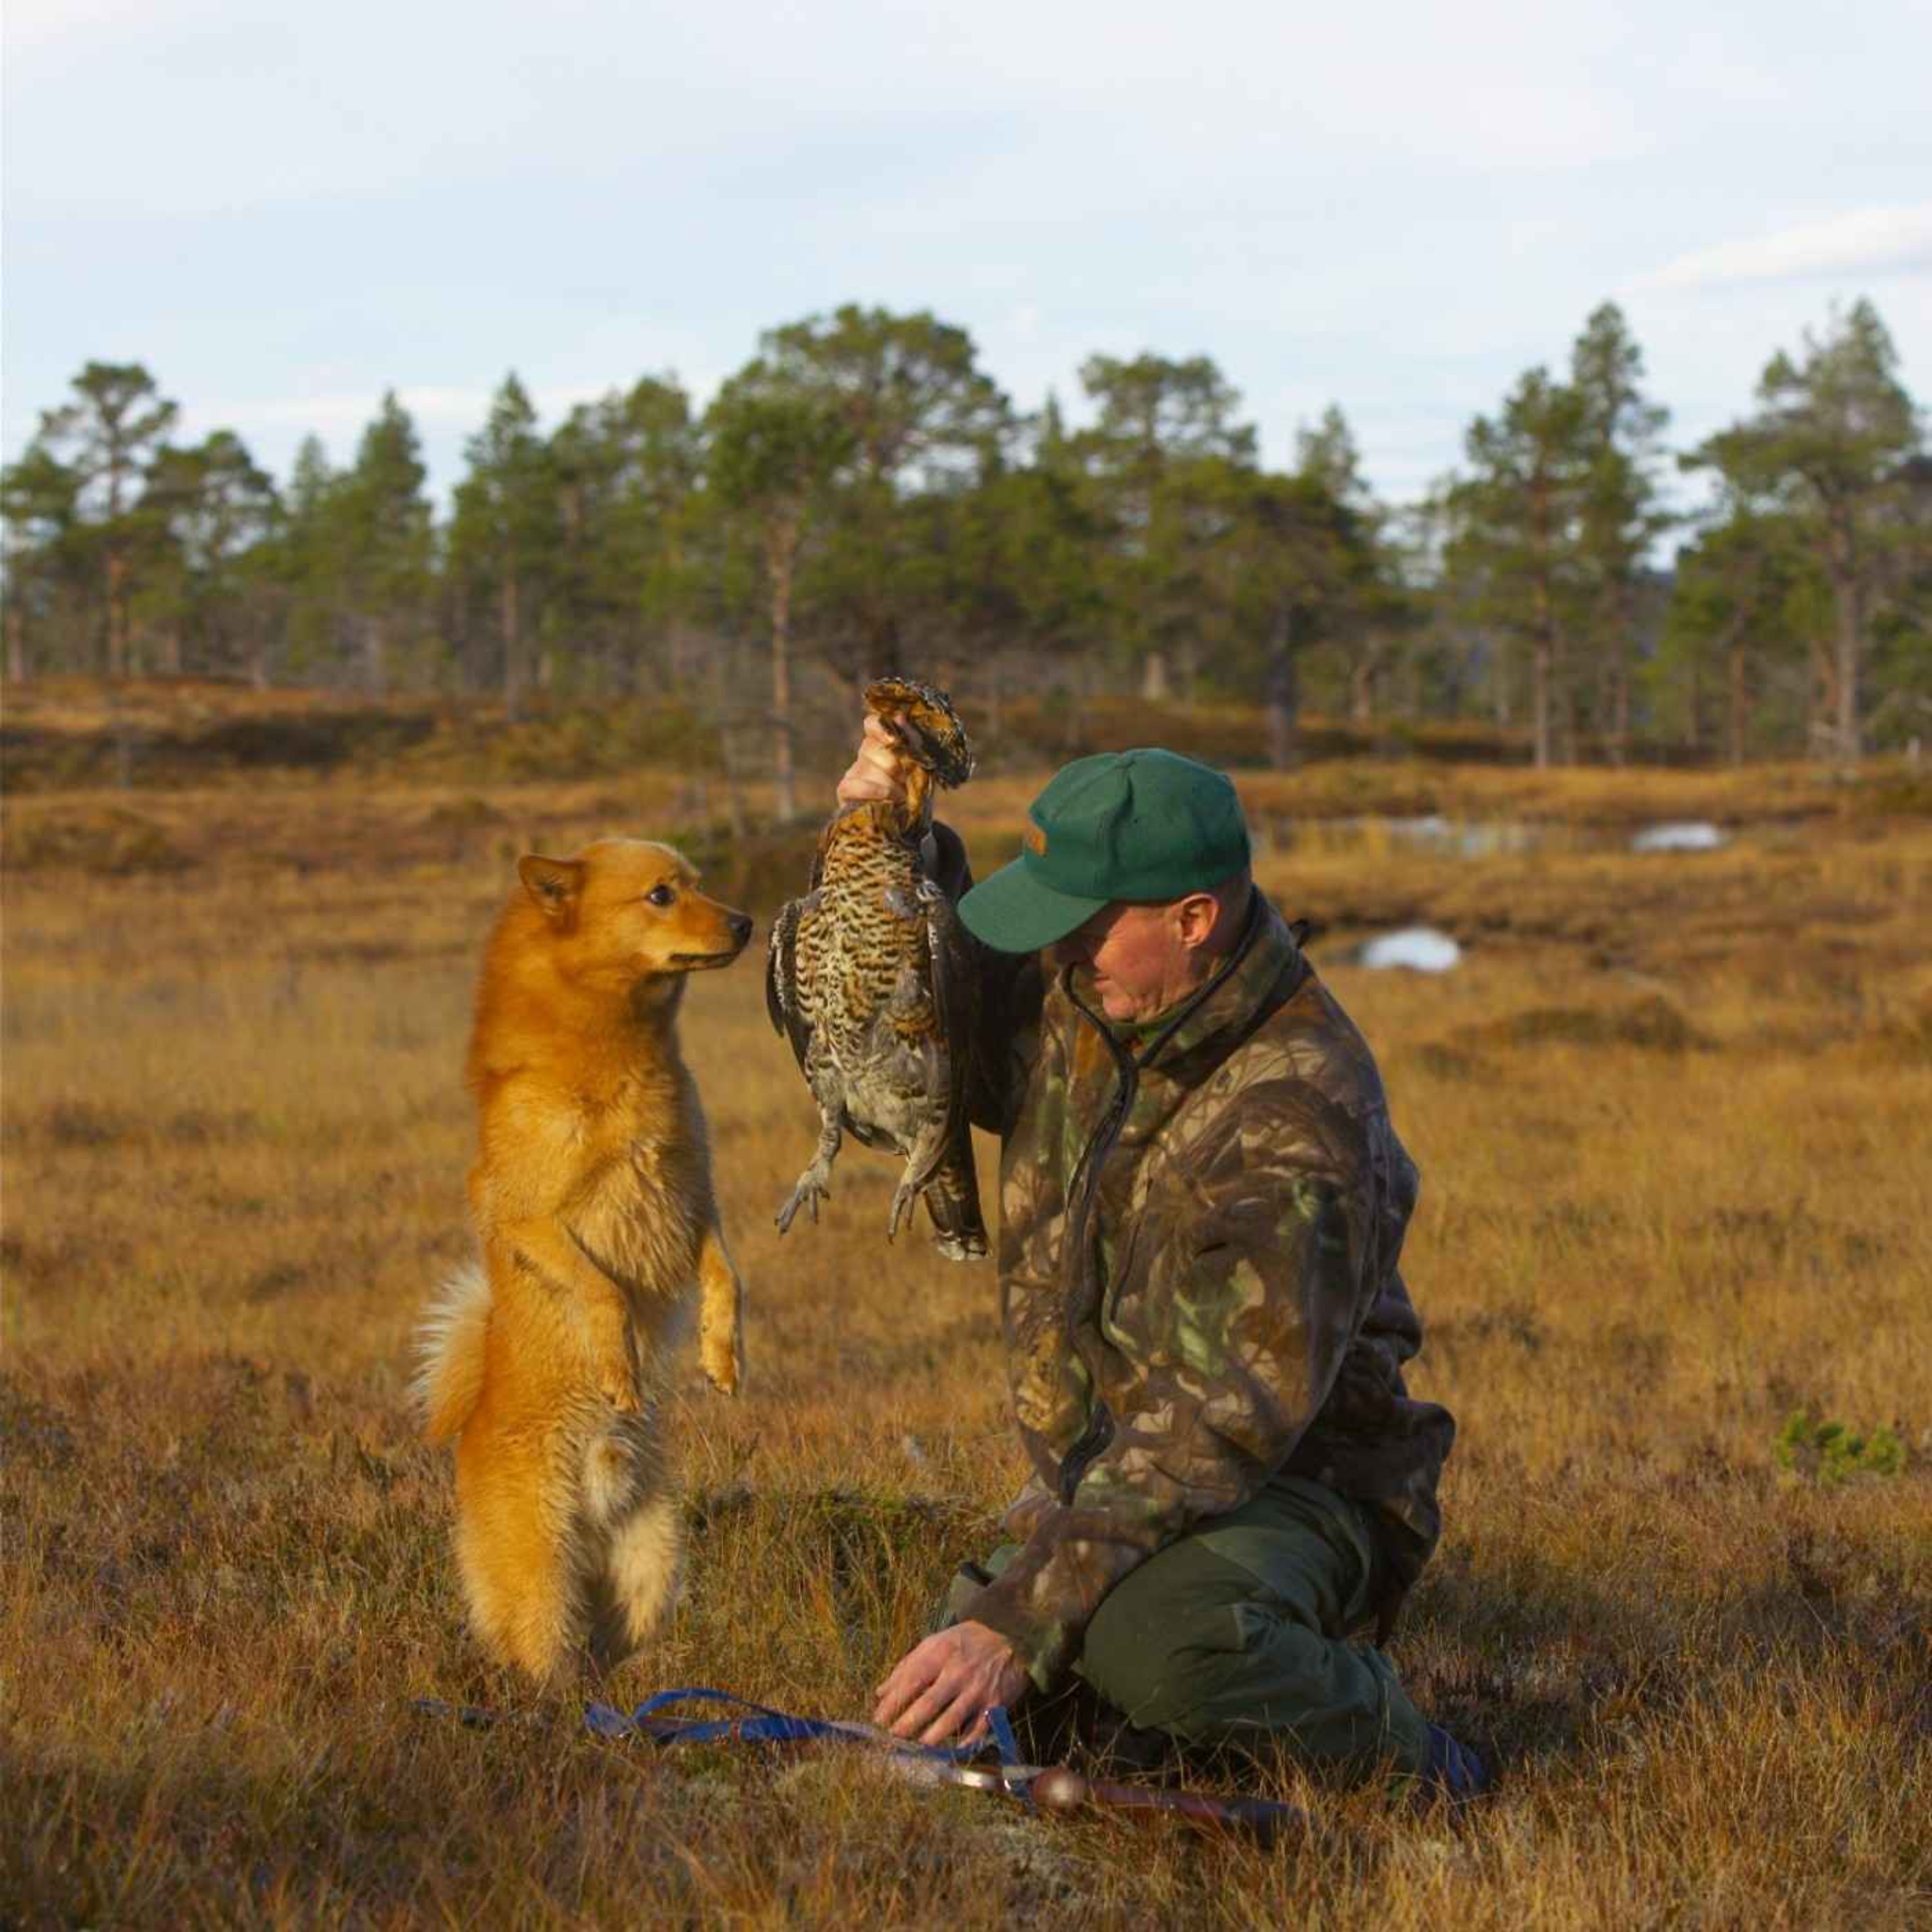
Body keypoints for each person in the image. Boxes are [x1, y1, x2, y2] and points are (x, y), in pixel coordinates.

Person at [844, 716, 1485, 1798]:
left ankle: (1422, 1759)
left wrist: (1027, 1619)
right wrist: (879, 838)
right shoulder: (1095, 993)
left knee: (1151, 1645)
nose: (1060, 953)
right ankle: (1167, 1713)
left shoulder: (1297, 1108)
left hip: (1302, 1485)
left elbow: (1220, 1420)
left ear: (1194, 919)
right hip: (1118, 1474)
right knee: (960, 1693)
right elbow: (896, 1027)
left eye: (1087, 925)